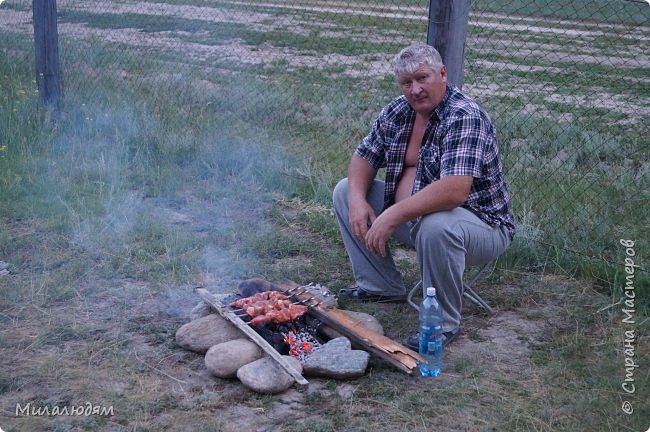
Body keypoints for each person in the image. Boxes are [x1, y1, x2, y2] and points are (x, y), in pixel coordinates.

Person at [332, 42, 515, 349]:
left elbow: (454, 191)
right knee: (346, 191)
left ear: (442, 74)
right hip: (416, 220)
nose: (415, 89)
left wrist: (392, 214)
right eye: (407, 83)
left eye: (422, 78)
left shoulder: (464, 116)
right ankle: (379, 286)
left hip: (482, 228)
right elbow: (363, 158)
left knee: (438, 225)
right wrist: (357, 202)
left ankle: (441, 325)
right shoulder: (398, 110)